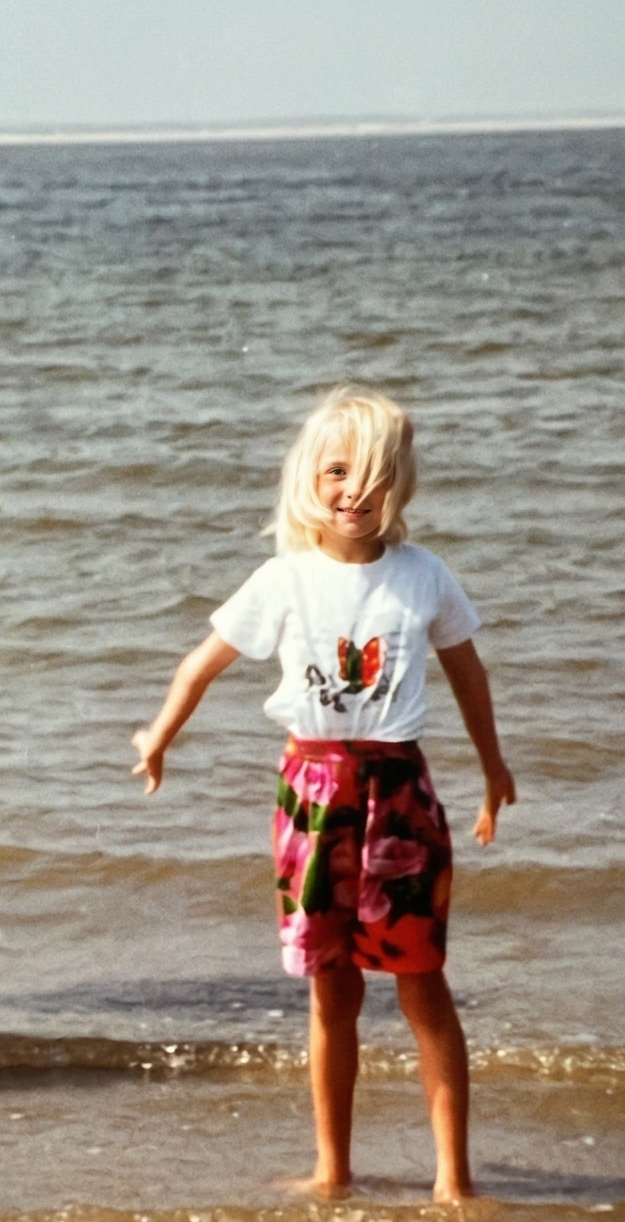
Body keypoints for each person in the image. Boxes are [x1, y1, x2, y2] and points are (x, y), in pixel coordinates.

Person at [131, 385, 516, 1202]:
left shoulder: (424, 577)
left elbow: (469, 675)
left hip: (400, 789)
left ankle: (454, 1179)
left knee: (422, 982)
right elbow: (202, 663)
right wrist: (159, 734)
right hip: (310, 791)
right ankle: (332, 1169)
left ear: (400, 486)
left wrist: (494, 768)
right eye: (339, 473)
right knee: (330, 987)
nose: (355, 492)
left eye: (375, 477)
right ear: (312, 478)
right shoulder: (285, 578)